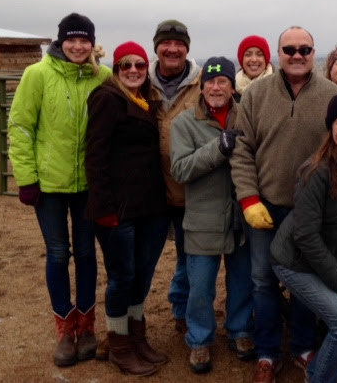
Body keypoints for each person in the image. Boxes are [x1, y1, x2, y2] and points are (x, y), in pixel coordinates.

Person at [231, 26, 337, 383]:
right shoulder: (256, 94)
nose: (297, 55)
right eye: (289, 49)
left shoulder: (331, 94)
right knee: (263, 281)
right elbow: (242, 150)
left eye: (304, 49)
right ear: (278, 54)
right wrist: (249, 198)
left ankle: (303, 347)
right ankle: (267, 352)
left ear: (314, 53)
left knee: (306, 282)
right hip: (265, 207)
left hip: (311, 210)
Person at [8, 13, 110, 367]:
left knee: (86, 253)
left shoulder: (101, 76)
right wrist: (26, 177)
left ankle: (87, 327)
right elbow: (21, 125)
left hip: (88, 184)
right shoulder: (37, 74)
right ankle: (65, 330)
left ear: (92, 43)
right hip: (49, 184)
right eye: (72, 40)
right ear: (60, 41)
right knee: (57, 253)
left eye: (84, 40)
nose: (78, 46)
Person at [270, 93, 337, 383]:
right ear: (330, 127)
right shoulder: (316, 171)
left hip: (329, 264)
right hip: (294, 262)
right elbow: (305, 235)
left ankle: (316, 371)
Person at [86, 41, 169, 376]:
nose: (133, 70)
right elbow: (95, 155)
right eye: (126, 65)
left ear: (147, 69)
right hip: (118, 208)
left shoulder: (147, 101)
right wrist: (104, 206)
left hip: (150, 205)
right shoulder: (107, 98)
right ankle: (119, 344)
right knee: (122, 276)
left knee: (143, 273)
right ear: (116, 68)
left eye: (139, 65)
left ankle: (136, 336)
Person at [170, 57, 254, 374]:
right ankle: (200, 339)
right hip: (203, 218)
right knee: (201, 286)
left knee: (242, 279)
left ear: (233, 86)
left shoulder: (248, 117)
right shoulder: (184, 123)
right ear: (202, 87)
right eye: (210, 82)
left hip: (241, 215)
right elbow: (181, 169)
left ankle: (240, 330)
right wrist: (218, 147)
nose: (216, 88)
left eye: (223, 82)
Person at [148, 20, 202, 333]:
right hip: (150, 190)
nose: (172, 49)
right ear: (156, 47)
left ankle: (182, 311)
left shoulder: (202, 84)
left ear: (187, 48)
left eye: (179, 44)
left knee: (187, 257)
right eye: (165, 43)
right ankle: (129, 323)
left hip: (187, 189)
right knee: (143, 260)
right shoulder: (139, 80)